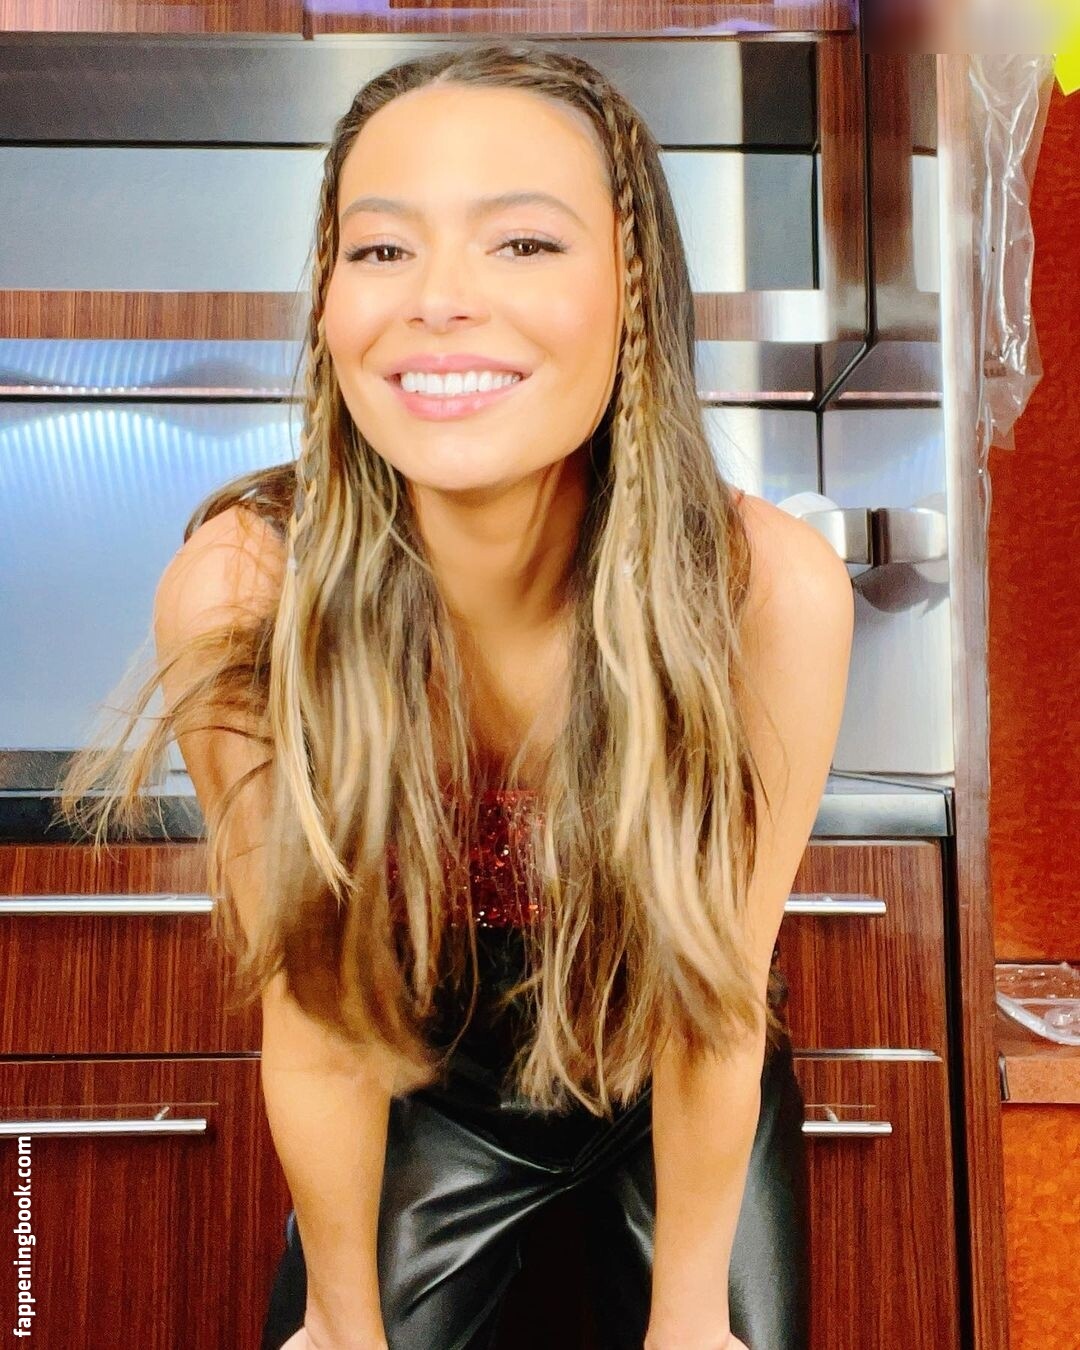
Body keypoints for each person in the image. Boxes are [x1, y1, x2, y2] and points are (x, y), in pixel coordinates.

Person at [59, 42, 853, 1350]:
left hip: (674, 1070)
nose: (438, 299)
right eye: (382, 249)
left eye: (523, 244)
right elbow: (317, 1013)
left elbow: (715, 1002)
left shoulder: (766, 589)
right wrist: (342, 1322)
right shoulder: (248, 593)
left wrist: (691, 1320)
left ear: (633, 285)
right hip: (421, 1078)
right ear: (329, 300)